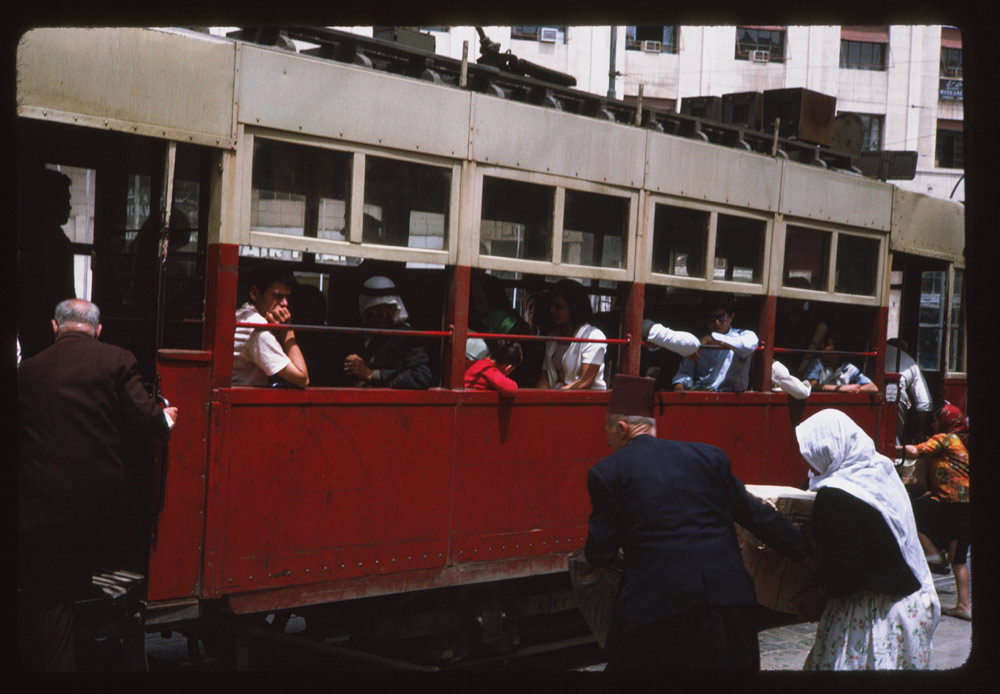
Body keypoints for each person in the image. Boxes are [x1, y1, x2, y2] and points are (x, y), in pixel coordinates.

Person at [584, 375, 809, 671]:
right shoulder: (707, 457)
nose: (608, 442)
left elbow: (599, 551)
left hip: (656, 612)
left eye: (609, 435)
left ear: (622, 428)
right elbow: (757, 516)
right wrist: (806, 552)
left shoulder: (608, 472)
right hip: (728, 603)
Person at [18, 299, 179, 671]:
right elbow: (147, 419)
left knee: (51, 593)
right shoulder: (117, 359)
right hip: (101, 505)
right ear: (99, 329)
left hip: (40, 504)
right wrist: (165, 418)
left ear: (55, 328)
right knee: (84, 572)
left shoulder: (27, 370)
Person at [790, 409, 939, 670]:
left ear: (831, 449)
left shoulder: (835, 497)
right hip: (908, 608)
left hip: (870, 618)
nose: (808, 464)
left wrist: (818, 594)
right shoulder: (879, 470)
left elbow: (848, 570)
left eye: (811, 455)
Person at [902, 402, 971, 620]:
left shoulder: (946, 438)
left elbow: (915, 450)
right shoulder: (963, 441)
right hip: (967, 505)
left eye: (935, 419)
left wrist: (887, 448)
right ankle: (964, 606)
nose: (932, 424)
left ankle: (932, 555)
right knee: (958, 558)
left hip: (949, 502)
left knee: (909, 512)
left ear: (945, 421)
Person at [17, 167, 77, 361]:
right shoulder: (54, 242)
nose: (69, 206)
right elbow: (60, 290)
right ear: (53, 201)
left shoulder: (35, 236)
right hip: (46, 325)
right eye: (66, 199)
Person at [343, 276, 432, 389]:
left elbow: (421, 376)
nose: (384, 314)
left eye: (390, 307)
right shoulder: (351, 333)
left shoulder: (407, 337)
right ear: (365, 307)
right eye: (378, 307)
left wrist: (372, 374)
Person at [233, 264, 310, 388]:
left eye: (287, 297)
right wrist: (287, 330)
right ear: (254, 293)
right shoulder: (258, 331)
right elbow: (302, 379)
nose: (285, 303)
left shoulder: (242, 314)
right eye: (278, 296)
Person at [671, 295, 759, 392]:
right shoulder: (698, 343)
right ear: (705, 319)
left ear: (731, 317)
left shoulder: (744, 335)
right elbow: (685, 372)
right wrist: (680, 386)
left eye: (722, 317)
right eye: (711, 318)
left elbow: (747, 346)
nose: (717, 323)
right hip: (701, 395)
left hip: (732, 398)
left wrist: (712, 339)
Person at [537, 279, 607, 390]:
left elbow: (585, 382)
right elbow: (545, 376)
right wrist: (538, 399)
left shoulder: (593, 336)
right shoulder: (553, 336)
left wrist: (553, 397)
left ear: (574, 307)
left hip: (582, 401)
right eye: (551, 306)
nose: (552, 311)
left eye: (559, 307)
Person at [885, 338, 933, 445]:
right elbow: (925, 402)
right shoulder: (910, 362)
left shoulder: (880, 350)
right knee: (892, 439)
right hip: (895, 395)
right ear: (905, 350)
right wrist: (922, 431)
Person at [802, 333, 878, 394]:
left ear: (837, 353)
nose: (822, 347)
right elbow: (812, 385)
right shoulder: (817, 363)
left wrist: (854, 388)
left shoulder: (849, 368)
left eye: (827, 345)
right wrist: (842, 388)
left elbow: (873, 388)